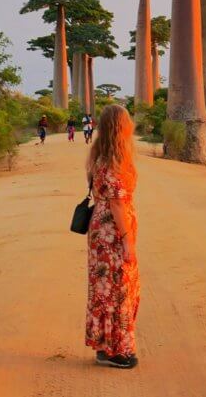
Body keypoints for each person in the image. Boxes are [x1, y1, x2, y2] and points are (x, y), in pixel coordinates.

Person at [85, 104, 140, 369]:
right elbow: (117, 204)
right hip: (112, 230)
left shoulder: (99, 155)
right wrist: (127, 239)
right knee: (118, 288)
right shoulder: (113, 161)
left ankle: (103, 346)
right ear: (121, 127)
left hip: (100, 228)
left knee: (103, 288)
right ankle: (118, 350)